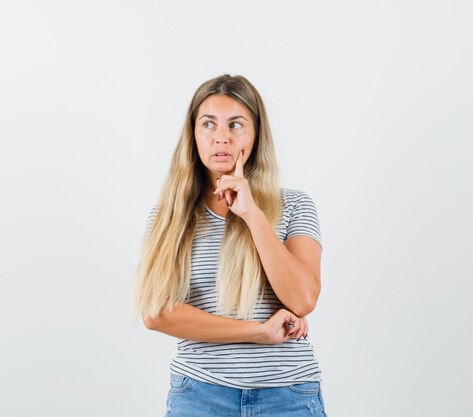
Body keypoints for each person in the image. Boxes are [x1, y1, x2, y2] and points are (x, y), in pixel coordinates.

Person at [132, 74, 327, 417]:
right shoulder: (169, 216)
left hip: (289, 396)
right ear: (193, 135)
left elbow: (302, 299)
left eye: (236, 124)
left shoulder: (295, 206)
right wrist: (257, 332)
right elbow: (156, 312)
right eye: (208, 124)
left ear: (255, 135)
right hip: (200, 397)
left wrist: (252, 214)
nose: (221, 137)